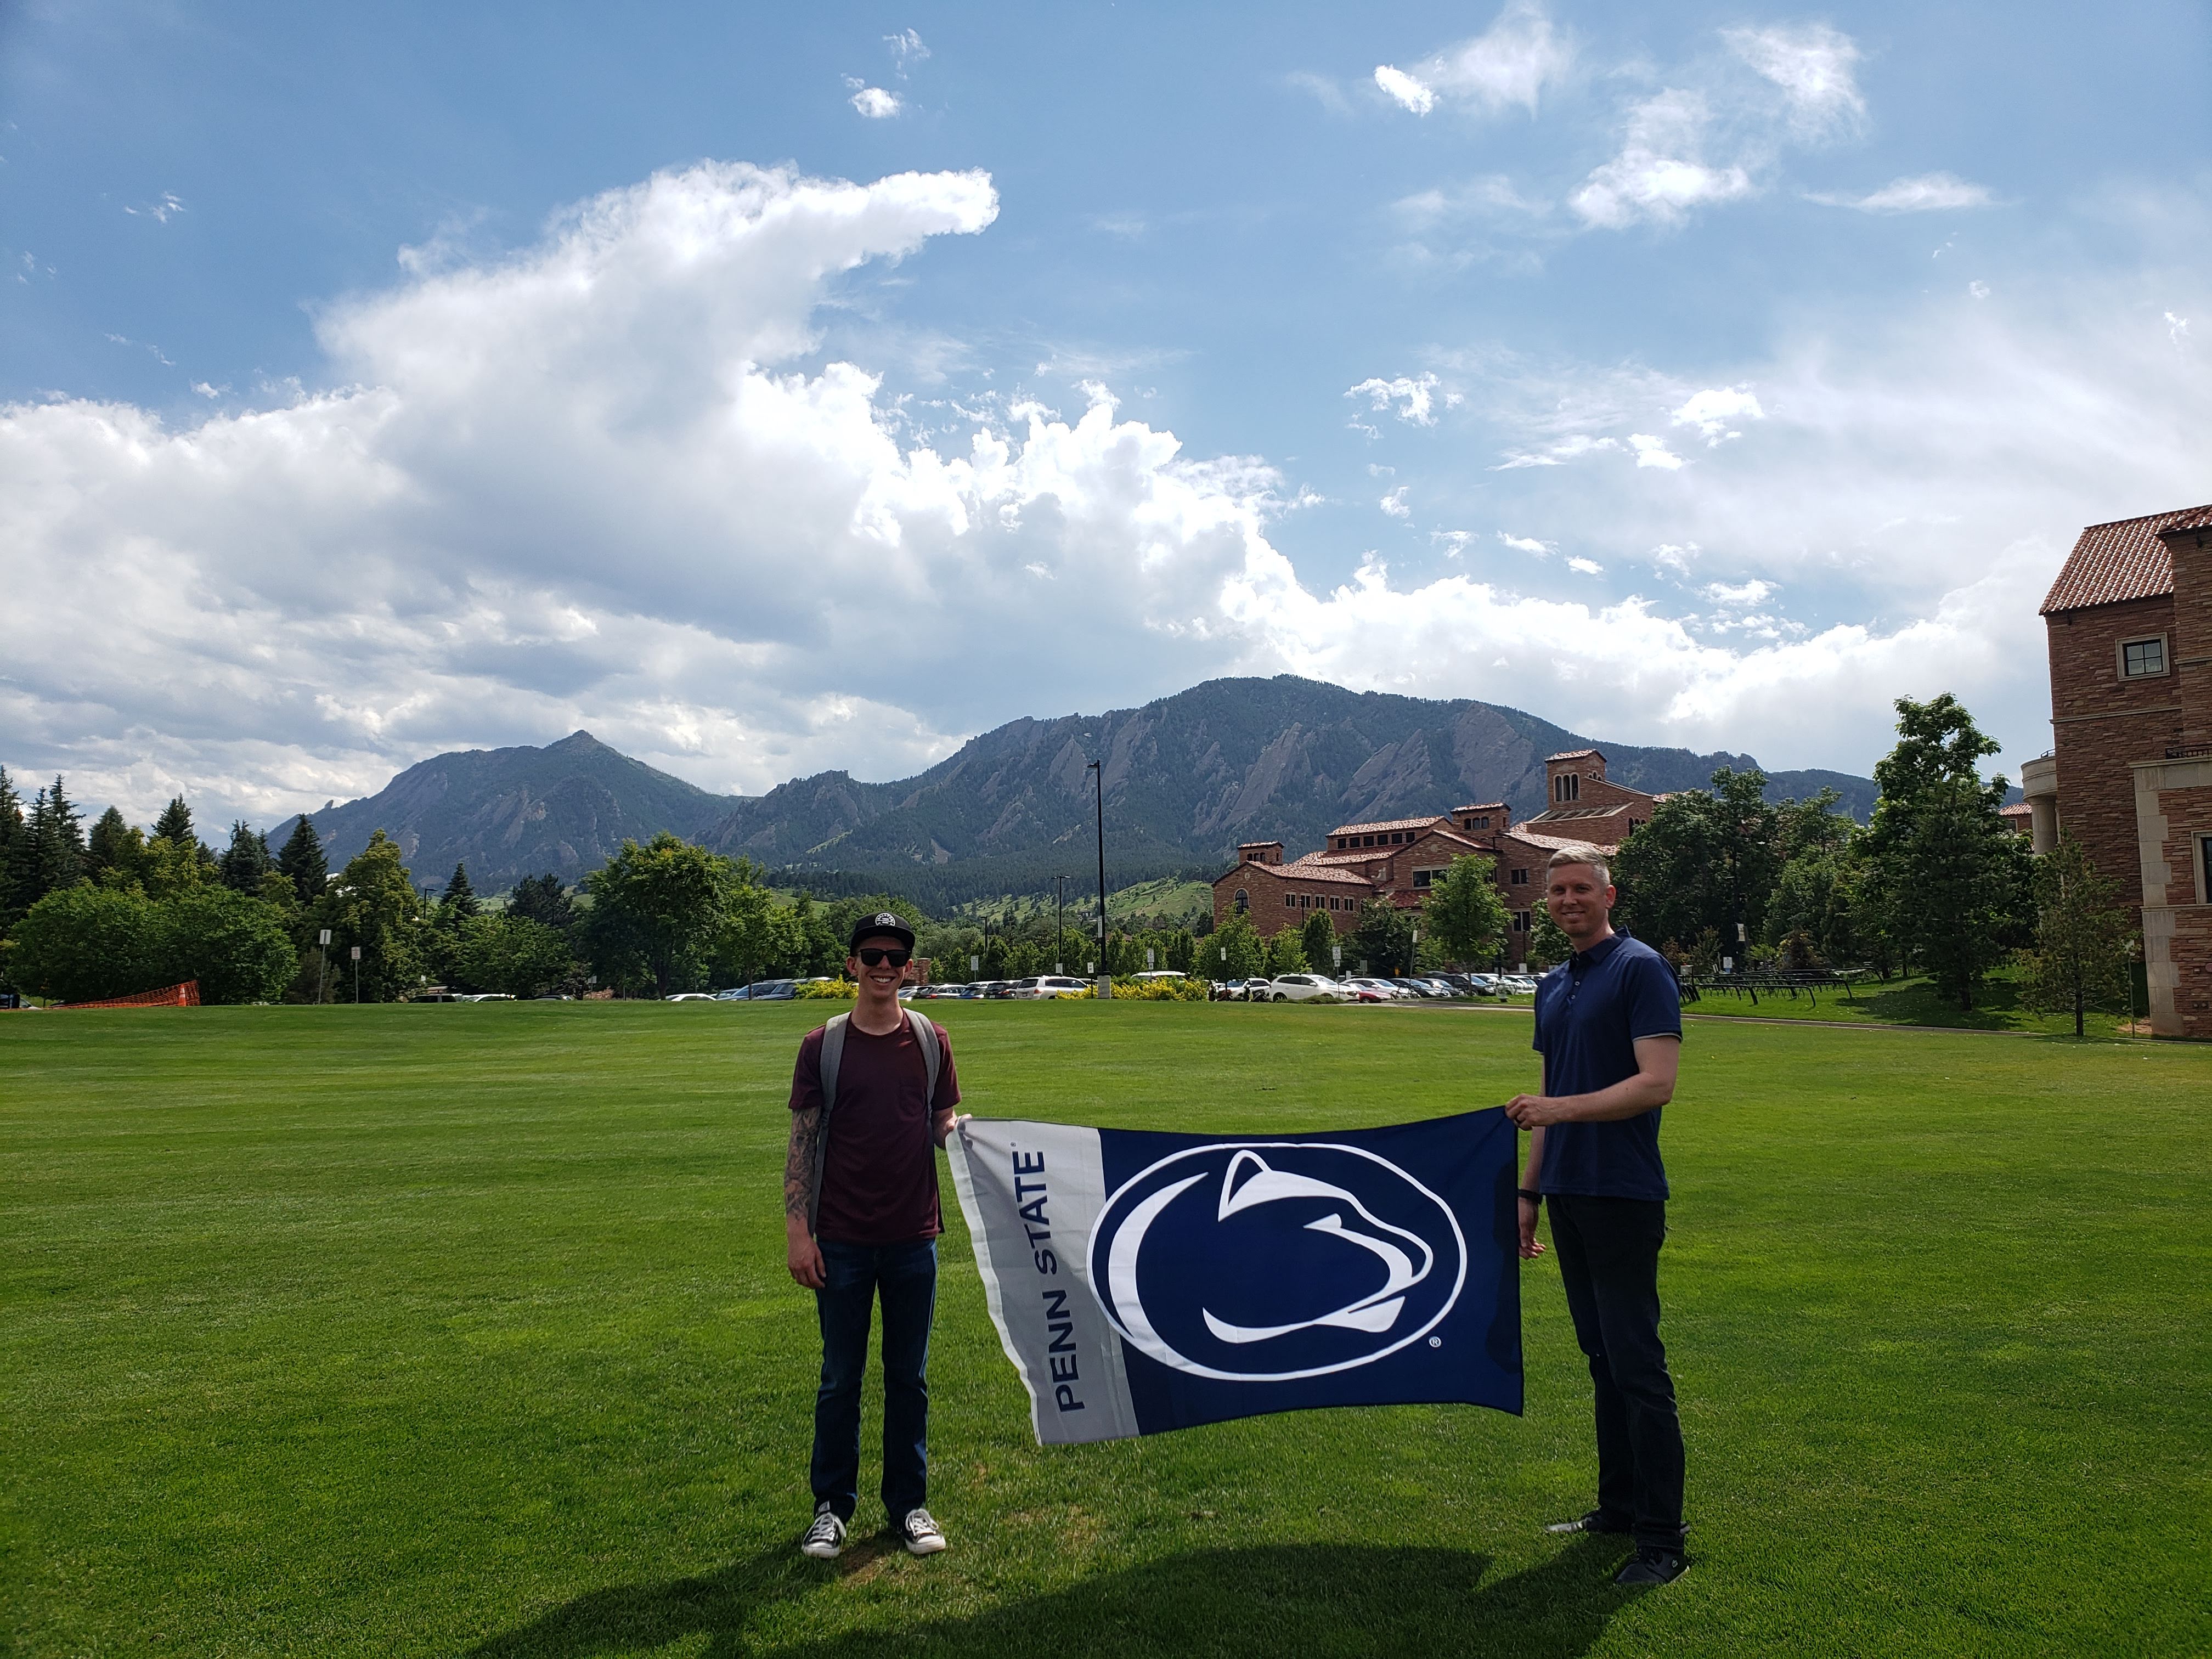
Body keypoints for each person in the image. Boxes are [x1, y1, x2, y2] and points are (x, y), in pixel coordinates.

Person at [1504, 845, 1689, 1587]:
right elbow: (1551, 1096)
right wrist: (1528, 1197)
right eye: (1557, 891)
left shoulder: (1641, 969)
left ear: (1609, 897)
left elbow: (1657, 1084)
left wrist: (1559, 1109)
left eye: (1582, 888)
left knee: (1638, 1367)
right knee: (1602, 1363)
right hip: (1571, 1197)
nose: (1568, 900)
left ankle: (1661, 1538)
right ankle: (1616, 1508)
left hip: (1623, 1195)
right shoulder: (1554, 985)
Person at [785, 911, 965, 1561]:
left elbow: (939, 1123)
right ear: (852, 964)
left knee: (908, 1378)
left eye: (896, 956)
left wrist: (969, 1138)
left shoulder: (930, 1040)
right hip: (841, 1241)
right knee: (840, 1378)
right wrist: (798, 1231)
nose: (885, 966)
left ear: (910, 968)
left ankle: (909, 1505)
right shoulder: (823, 1046)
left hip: (915, 1237)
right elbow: (802, 1141)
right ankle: (831, 1508)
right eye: (873, 955)